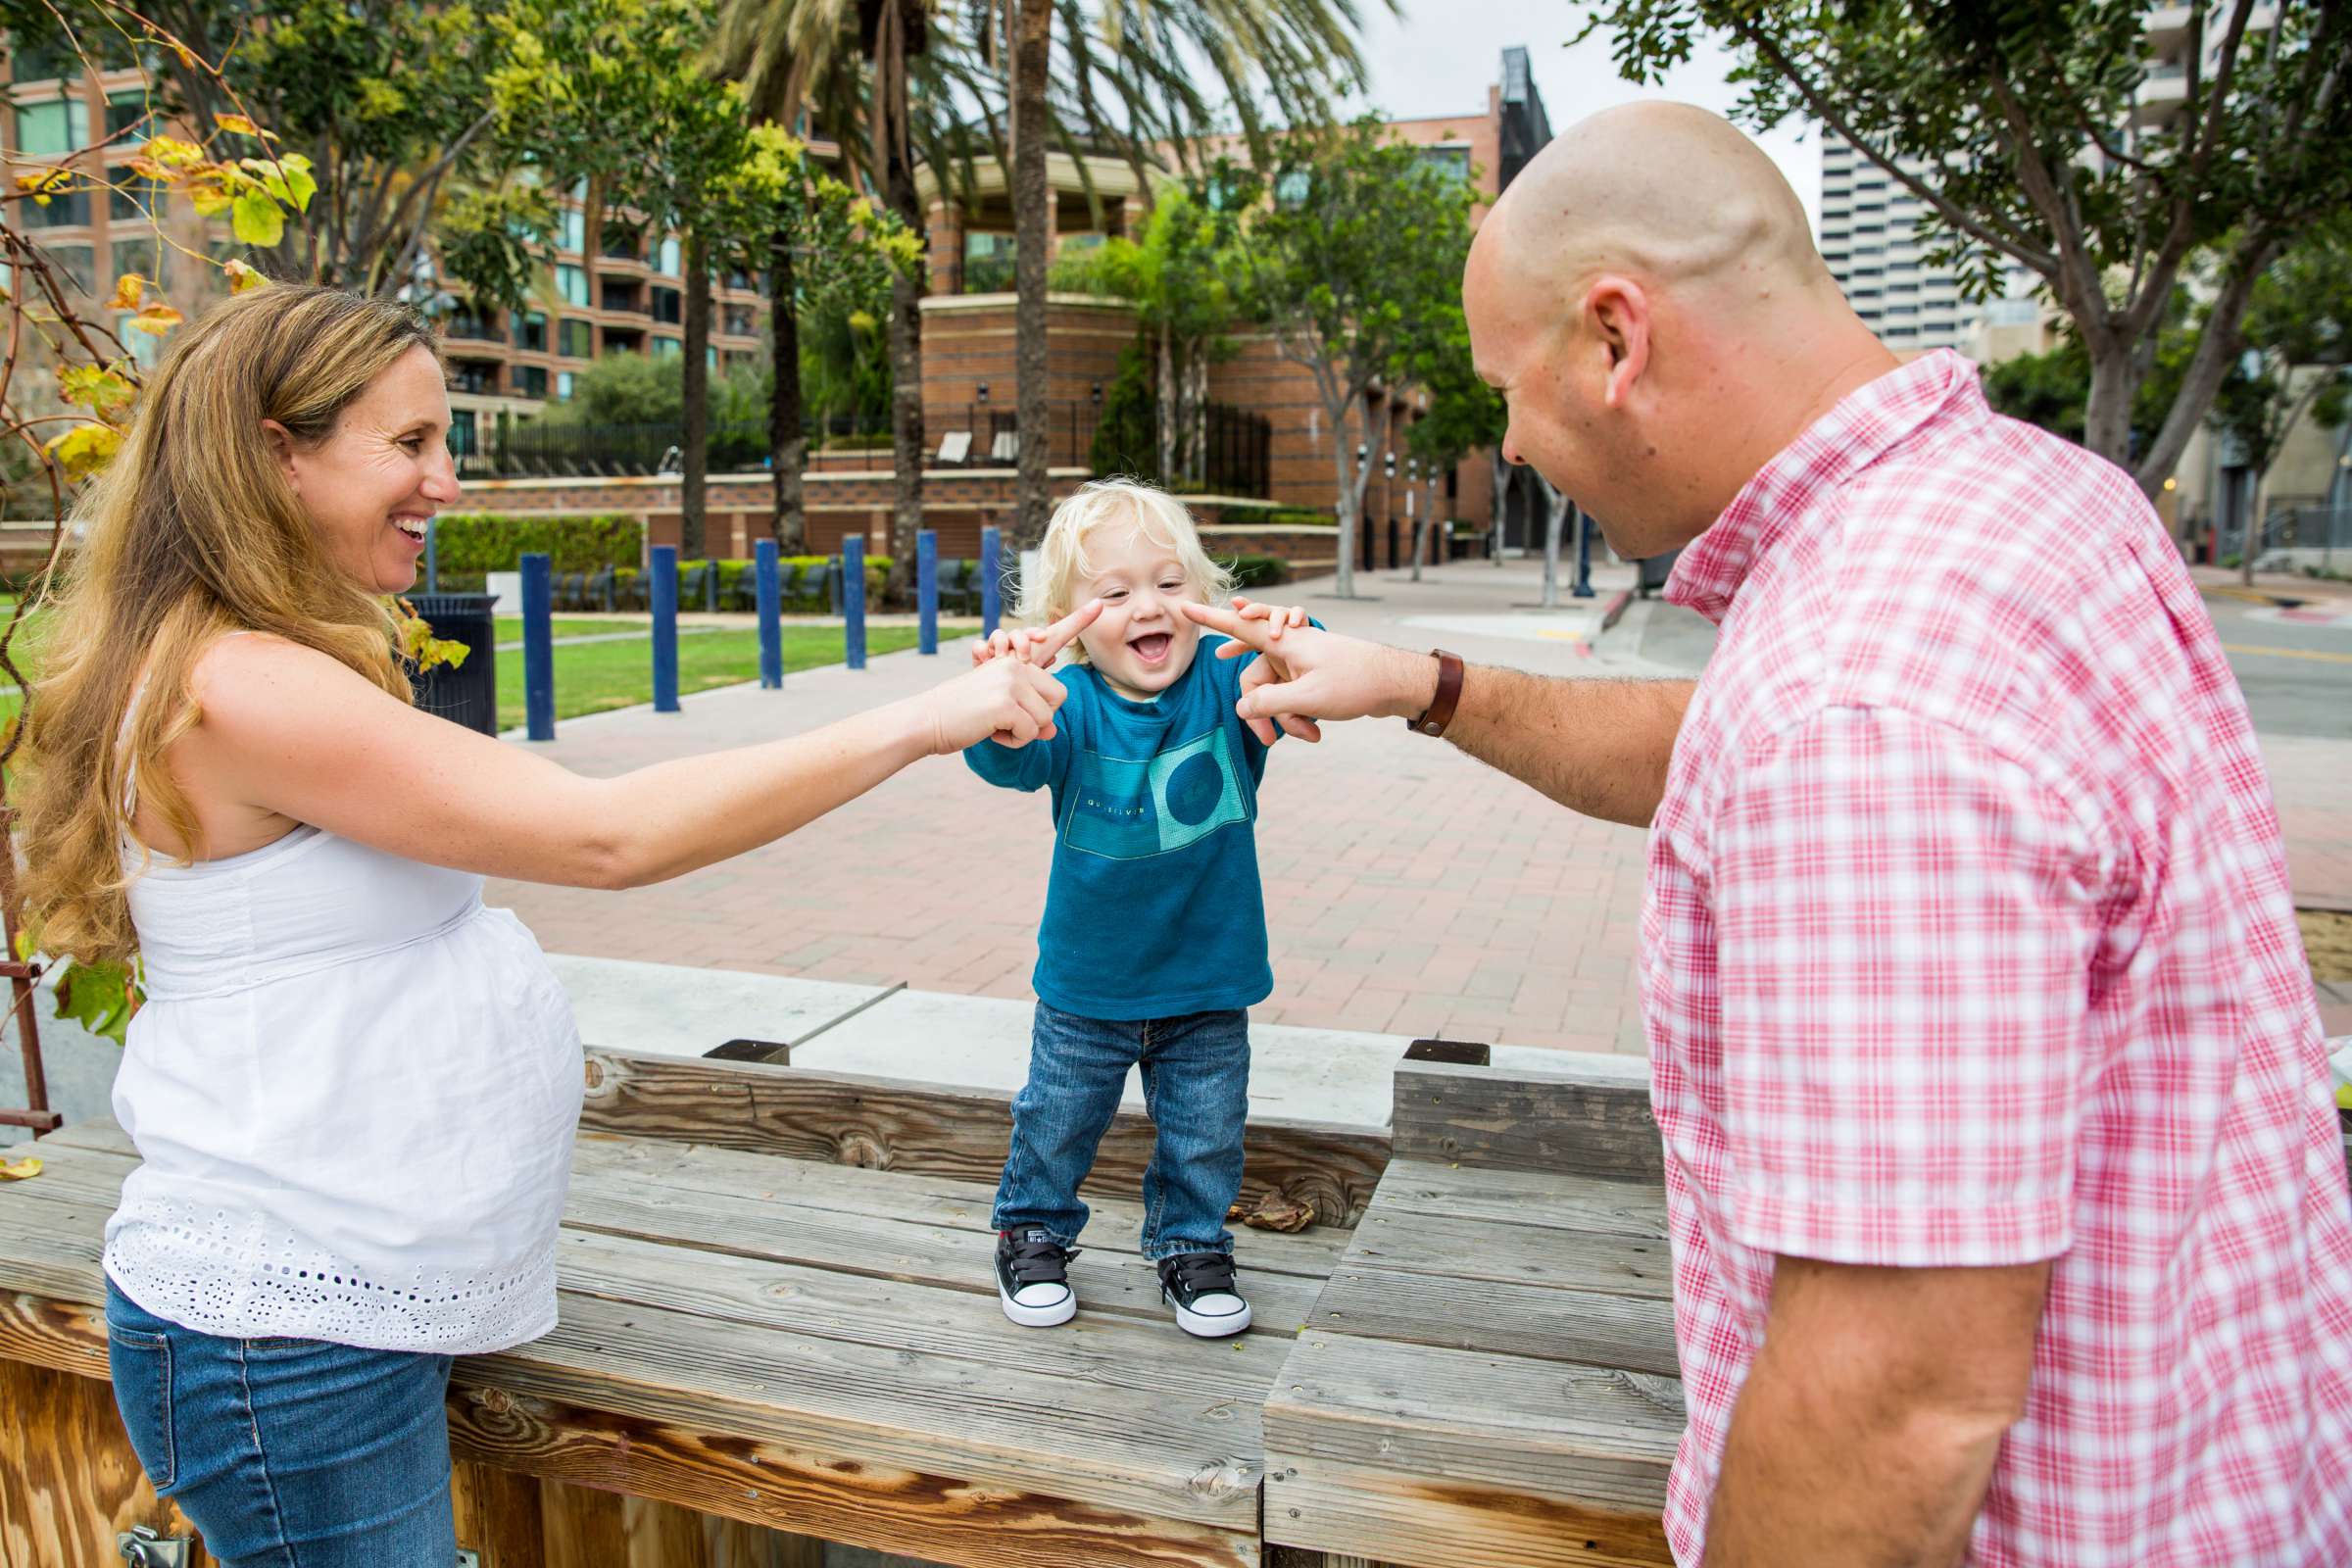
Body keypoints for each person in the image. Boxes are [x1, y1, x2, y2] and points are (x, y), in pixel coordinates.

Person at [1189, 104, 2352, 1565]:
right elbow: (1736, 748)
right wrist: (1431, 686)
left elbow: (1900, 1403)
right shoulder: (2021, 506)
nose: (1512, 442)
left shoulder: (1857, 704)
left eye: (1507, 390)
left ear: (1616, 339)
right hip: (2227, 1473)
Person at [14, 283, 1080, 1568]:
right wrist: (923, 718)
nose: (446, 483)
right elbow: (607, 836)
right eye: (408, 444)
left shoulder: (235, 660)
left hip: (321, 1309)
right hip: (284, 1336)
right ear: (272, 453)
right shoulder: (239, 686)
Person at [961, 479, 1310, 1338]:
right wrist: (1008, 694)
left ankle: (1190, 1244)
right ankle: (1032, 1229)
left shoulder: (1227, 691)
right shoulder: (1070, 707)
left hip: (1207, 982)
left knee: (1208, 1133)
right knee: (1056, 1120)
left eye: (1168, 583)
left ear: (1205, 596)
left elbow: (1305, 670)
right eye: (1114, 594)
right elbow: (1003, 760)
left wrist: (1290, 641)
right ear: (1070, 621)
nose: (1146, 607)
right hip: (1088, 986)